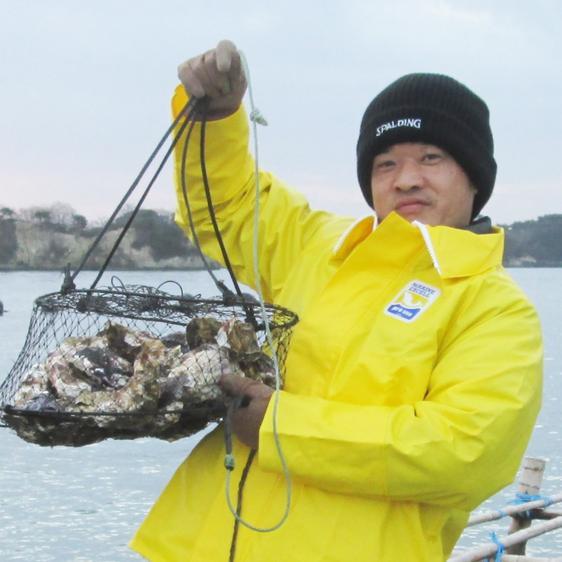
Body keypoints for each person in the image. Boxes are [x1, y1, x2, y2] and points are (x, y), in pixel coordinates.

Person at [130, 40, 543, 562]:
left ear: (475, 175)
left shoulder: (495, 308)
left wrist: (279, 427)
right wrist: (216, 120)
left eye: (431, 158)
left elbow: (463, 451)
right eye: (385, 163)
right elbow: (226, 207)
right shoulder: (317, 245)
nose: (407, 178)